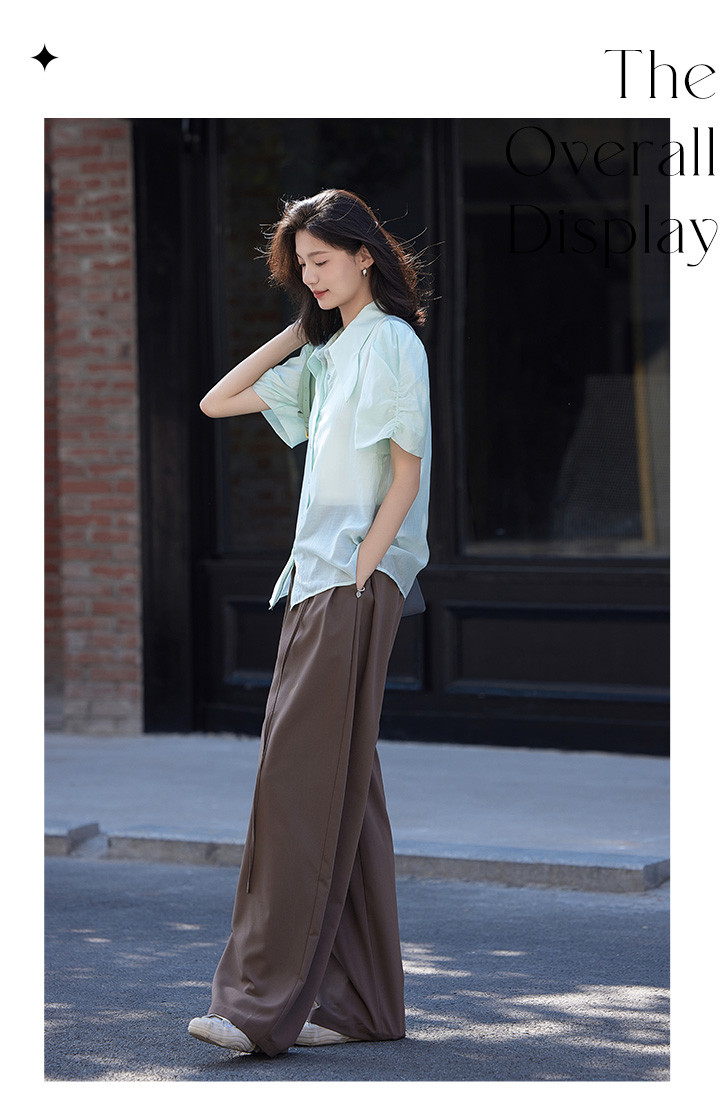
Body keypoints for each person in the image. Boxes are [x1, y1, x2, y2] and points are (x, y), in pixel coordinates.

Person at [187, 188, 432, 1059]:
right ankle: (365, 1003)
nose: (313, 278)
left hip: (348, 585)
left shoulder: (394, 344)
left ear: (365, 254)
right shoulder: (328, 358)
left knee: (294, 787)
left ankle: (256, 1006)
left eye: (323, 261)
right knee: (344, 789)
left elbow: (406, 475)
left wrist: (364, 572)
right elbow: (218, 400)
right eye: (302, 268)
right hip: (312, 585)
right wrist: (300, 330)